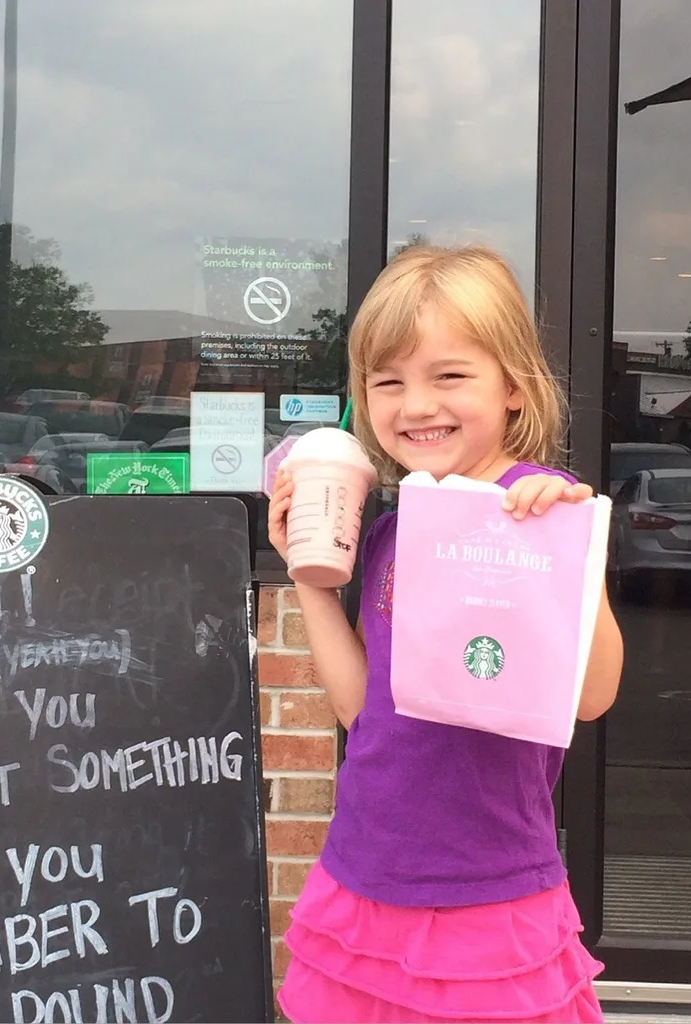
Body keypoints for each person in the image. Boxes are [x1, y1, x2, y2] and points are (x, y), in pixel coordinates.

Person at [267, 244, 624, 1023]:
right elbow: (366, 710)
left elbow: (593, 697)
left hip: (487, 893)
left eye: (449, 375)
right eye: (388, 381)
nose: (416, 404)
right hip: (363, 875)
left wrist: (570, 552)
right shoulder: (397, 526)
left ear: (516, 391)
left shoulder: (539, 508)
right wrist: (311, 583)